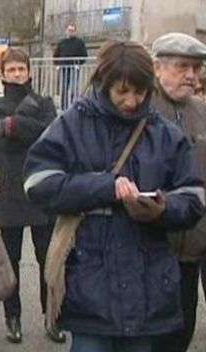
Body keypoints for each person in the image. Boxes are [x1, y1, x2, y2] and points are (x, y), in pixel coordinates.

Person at [24, 40, 205, 352]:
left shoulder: (164, 133)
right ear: (103, 83)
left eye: (139, 92)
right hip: (91, 281)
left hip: (149, 281)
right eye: (122, 91)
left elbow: (194, 197)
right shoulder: (72, 123)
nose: (132, 101)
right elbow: (38, 182)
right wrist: (105, 187)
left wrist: (162, 209)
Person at [0, 48, 62, 344]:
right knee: (11, 262)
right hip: (8, 190)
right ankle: (12, 318)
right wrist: (23, 130)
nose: (17, 74)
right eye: (12, 70)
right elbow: (1, 141)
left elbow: (51, 134)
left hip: (41, 189)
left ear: (29, 72)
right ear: (3, 73)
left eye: (21, 69)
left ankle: (52, 317)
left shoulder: (44, 102)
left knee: (49, 261)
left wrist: (15, 126)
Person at [150, 32, 206, 352]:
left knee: (180, 335)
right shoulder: (140, 109)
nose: (192, 76)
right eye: (183, 66)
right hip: (150, 248)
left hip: (192, 252)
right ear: (157, 67)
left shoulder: (201, 112)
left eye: (196, 69)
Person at [53, 23, 88, 110]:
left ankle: (72, 107)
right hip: (63, 69)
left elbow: (84, 55)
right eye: (69, 30)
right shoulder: (62, 43)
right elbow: (56, 55)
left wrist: (78, 64)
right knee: (63, 89)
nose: (70, 32)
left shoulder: (79, 43)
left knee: (73, 90)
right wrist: (57, 65)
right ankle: (63, 107)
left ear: (75, 31)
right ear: (66, 31)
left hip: (74, 69)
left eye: (72, 31)